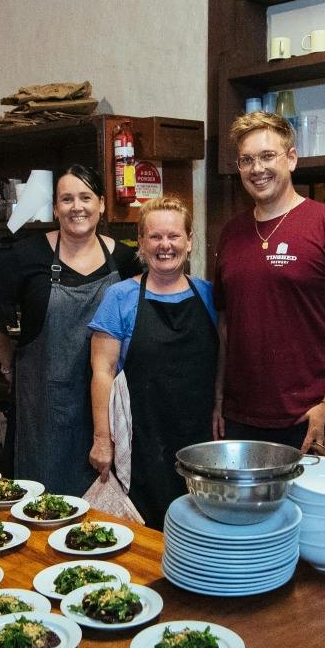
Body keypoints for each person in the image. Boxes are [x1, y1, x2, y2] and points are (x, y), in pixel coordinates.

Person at [214, 111, 325, 452]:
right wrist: (218, 397)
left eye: (267, 156)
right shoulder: (231, 233)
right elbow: (226, 325)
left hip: (308, 418)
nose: (257, 169)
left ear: (291, 158)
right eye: (247, 160)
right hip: (239, 419)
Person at [0, 164, 138, 494]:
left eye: (86, 197)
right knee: (40, 500)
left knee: (102, 506)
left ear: (102, 204)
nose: (77, 207)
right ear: (55, 208)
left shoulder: (123, 259)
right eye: (67, 199)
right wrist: (8, 362)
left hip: (105, 406)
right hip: (44, 407)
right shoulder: (28, 255)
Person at [87, 197, 219, 527]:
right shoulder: (120, 297)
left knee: (201, 524)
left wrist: (220, 405)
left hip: (200, 436)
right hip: (142, 437)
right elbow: (102, 372)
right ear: (142, 243)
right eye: (155, 237)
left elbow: (226, 360)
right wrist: (103, 440)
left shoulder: (210, 295)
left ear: (189, 240)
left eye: (174, 236)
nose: (165, 245)